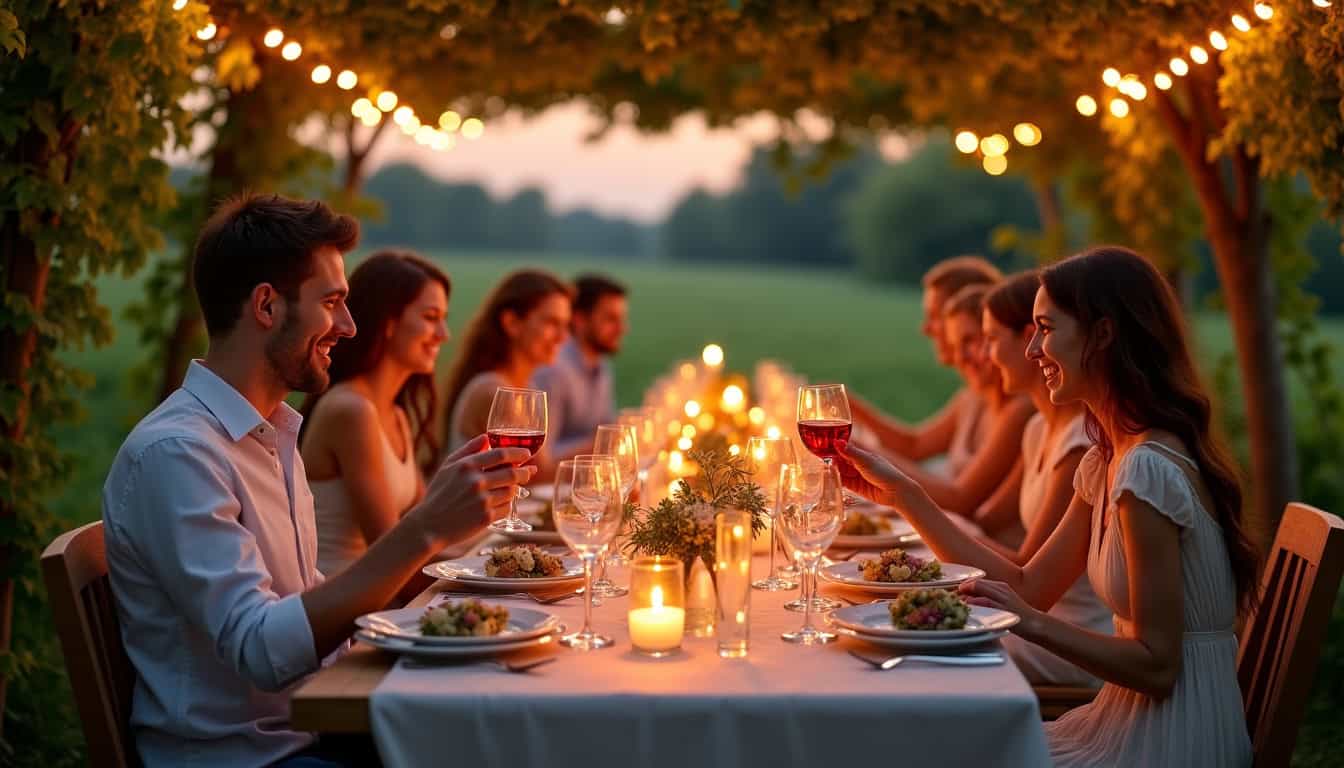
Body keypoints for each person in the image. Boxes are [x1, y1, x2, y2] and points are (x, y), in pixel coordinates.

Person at [101, 193, 532, 767]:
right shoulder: (178, 453)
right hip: (248, 757)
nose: (349, 327)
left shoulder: (271, 435)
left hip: (308, 733)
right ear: (266, 306)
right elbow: (260, 647)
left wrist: (451, 625)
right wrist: (426, 529)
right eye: (332, 302)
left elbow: (306, 606)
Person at [841, 246, 1258, 767]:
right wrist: (904, 497)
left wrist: (1026, 623)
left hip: (1173, 740)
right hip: (1126, 720)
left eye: (1045, 327)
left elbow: (1157, 667)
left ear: (1103, 335)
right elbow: (1030, 587)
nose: (1034, 348)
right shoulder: (1111, 457)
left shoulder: (1145, 469)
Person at [975, 270, 1111, 686]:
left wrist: (917, 520)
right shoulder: (1037, 429)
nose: (981, 354)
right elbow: (984, 518)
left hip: (1072, 636)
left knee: (937, 650)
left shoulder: (1085, 449)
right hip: (1040, 621)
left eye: (991, 339)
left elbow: (1028, 580)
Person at [299, 250, 450, 577]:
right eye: (430, 317)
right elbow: (392, 552)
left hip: (383, 601)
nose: (443, 334)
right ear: (389, 322)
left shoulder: (395, 413)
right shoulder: (351, 411)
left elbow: (428, 532)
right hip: (340, 611)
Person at [882, 284, 1034, 547]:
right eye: (955, 345)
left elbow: (965, 506)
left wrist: (864, 454)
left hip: (995, 565)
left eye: (971, 340)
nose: (958, 357)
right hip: (980, 559)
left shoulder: (1025, 413)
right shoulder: (972, 398)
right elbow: (916, 445)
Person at [849, 256, 1001, 473]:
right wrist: (849, 406)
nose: (926, 329)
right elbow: (914, 446)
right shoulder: (971, 395)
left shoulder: (1014, 406)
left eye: (934, 316)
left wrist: (857, 450)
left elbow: (963, 498)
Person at [441, 269, 572, 478]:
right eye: (552, 323)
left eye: (566, 326)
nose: (563, 337)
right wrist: (601, 450)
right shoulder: (492, 390)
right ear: (512, 323)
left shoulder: (527, 386)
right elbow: (537, 474)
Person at [532, 274, 628, 458]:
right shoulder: (554, 372)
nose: (622, 328)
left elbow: (606, 428)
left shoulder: (601, 366)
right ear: (579, 319)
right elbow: (540, 456)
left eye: (621, 319)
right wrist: (598, 446)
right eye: (611, 319)